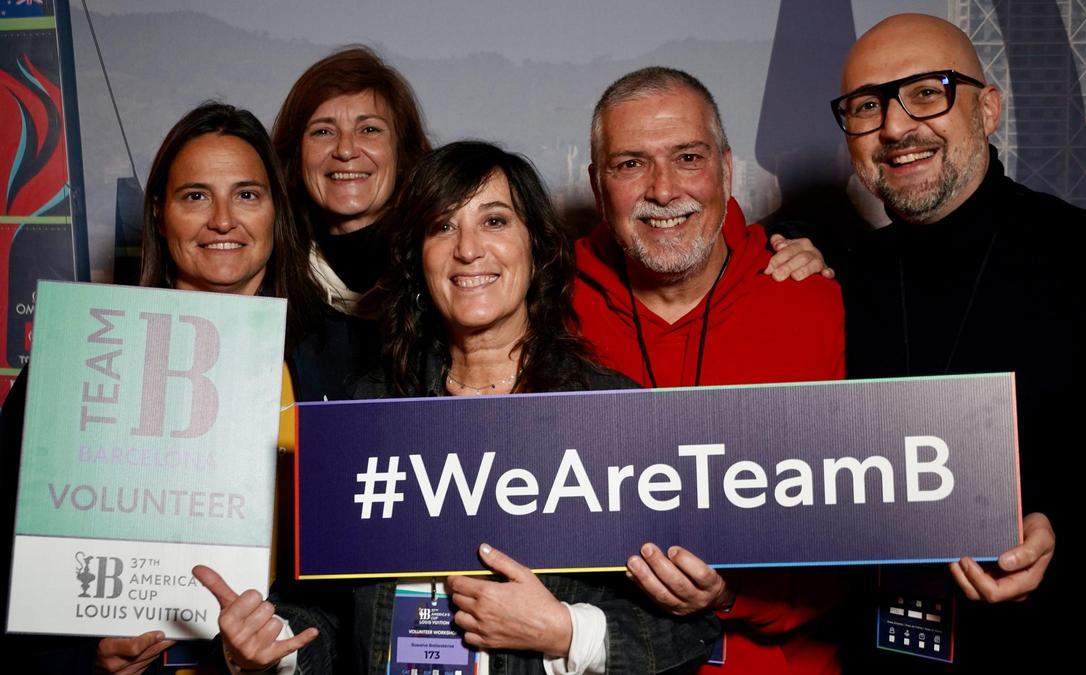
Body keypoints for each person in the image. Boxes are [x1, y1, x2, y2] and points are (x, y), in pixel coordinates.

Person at [828, 14, 1086, 671]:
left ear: (989, 107)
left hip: (1070, 650)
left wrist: (1072, 537)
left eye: (926, 91)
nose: (894, 126)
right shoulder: (837, 282)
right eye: (867, 105)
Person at [336, 140, 719, 675]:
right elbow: (323, 611)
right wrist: (271, 640)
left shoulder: (616, 415)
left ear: (536, 248)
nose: (468, 249)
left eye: (494, 221)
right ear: (415, 258)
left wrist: (566, 632)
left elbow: (692, 631)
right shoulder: (363, 413)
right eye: (442, 227)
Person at [0, 102, 344, 673]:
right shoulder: (77, 354)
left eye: (247, 194)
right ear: (159, 213)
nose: (223, 219)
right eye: (195, 196)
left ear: (276, 212)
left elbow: (360, 595)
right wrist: (85, 658)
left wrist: (283, 647)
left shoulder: (341, 360)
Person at [575, 66, 847, 674]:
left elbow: (864, 534)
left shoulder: (814, 301)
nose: (664, 190)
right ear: (597, 186)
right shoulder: (546, 311)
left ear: (726, 168)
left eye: (688, 157)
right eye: (630, 164)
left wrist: (731, 595)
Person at [272, 46, 432, 315]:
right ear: (296, 155)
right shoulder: (269, 273)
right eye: (323, 131)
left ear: (401, 152)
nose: (345, 150)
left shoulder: (441, 271)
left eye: (369, 130)